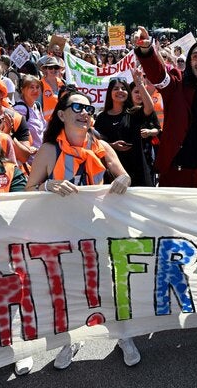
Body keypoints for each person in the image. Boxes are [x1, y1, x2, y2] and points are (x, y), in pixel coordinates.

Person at [25, 90, 138, 367]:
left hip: (97, 229)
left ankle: (123, 335)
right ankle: (72, 339)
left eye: (88, 108)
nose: (84, 112)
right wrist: (47, 186)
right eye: (76, 106)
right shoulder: (50, 150)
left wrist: (123, 180)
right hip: (61, 233)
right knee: (70, 290)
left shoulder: (100, 146)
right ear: (62, 114)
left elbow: (124, 174)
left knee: (111, 286)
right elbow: (27, 191)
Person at [132, 27, 197, 188]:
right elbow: (158, 75)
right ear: (190, 62)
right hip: (174, 175)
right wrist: (147, 50)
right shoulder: (176, 85)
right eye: (195, 56)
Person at [94, 73, 156, 186]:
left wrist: (139, 83)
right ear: (110, 93)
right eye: (116, 88)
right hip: (113, 171)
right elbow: (96, 143)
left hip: (137, 169)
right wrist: (112, 146)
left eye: (123, 88)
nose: (120, 91)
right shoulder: (101, 118)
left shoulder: (134, 113)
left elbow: (149, 107)